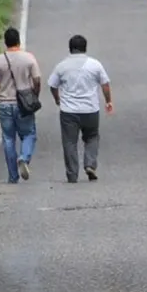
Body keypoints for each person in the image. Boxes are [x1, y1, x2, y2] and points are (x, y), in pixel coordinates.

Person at [48, 34, 113, 183]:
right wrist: (108, 101)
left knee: (69, 142)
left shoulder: (62, 65)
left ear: (70, 48)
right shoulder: (95, 64)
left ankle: (72, 174)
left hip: (68, 111)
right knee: (92, 137)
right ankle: (90, 164)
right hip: (90, 109)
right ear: (85, 48)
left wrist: (58, 99)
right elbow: (105, 84)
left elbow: (52, 85)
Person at [0, 27, 41, 184]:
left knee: (8, 139)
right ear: (18, 41)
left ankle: (13, 176)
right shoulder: (29, 58)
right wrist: (33, 97)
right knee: (29, 134)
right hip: (23, 104)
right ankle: (24, 157)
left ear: (5, 42)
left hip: (4, 104)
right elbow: (37, 80)